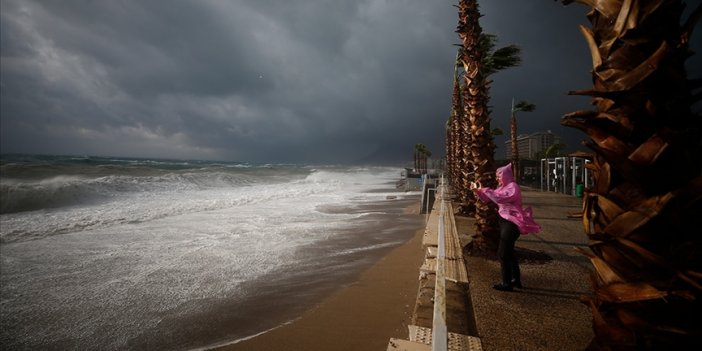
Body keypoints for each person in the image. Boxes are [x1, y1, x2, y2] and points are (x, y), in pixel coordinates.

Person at [470, 163, 541, 291]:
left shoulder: (513, 187)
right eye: (497, 176)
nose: (497, 178)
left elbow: (500, 198)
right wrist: (478, 191)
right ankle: (515, 280)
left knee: (502, 254)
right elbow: (487, 199)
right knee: (509, 253)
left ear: (506, 175)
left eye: (499, 176)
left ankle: (507, 283)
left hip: (511, 224)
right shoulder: (502, 187)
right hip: (504, 222)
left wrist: (485, 190)